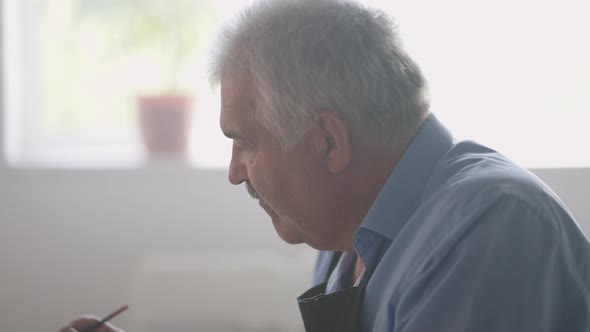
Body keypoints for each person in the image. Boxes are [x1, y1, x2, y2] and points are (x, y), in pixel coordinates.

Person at [61, 0, 590, 331]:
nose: (235, 173)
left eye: (245, 143)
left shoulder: (490, 227)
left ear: (328, 141)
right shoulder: (351, 239)